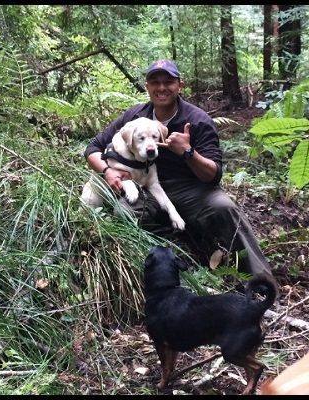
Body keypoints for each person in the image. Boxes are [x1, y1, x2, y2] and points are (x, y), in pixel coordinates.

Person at [83, 59, 277, 292]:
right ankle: (141, 282)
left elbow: (213, 175)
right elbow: (93, 148)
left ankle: (263, 283)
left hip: (190, 187)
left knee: (224, 206)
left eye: (168, 82)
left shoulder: (196, 120)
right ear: (147, 86)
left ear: (179, 85)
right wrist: (108, 170)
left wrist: (188, 153)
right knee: (123, 213)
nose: (162, 88)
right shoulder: (135, 117)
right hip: (146, 187)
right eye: (155, 82)